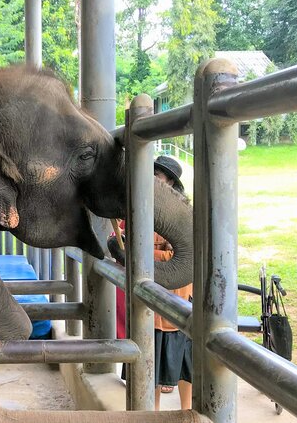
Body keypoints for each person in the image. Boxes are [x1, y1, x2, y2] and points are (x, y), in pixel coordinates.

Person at [108, 155, 193, 411]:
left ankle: (187, 411)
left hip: (174, 301)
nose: (152, 179)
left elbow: (180, 257)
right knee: (149, 364)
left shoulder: (178, 213)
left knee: (184, 367)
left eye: (157, 176)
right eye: (151, 174)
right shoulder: (142, 209)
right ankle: (151, 413)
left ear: (170, 184)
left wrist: (139, 252)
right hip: (149, 301)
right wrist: (123, 243)